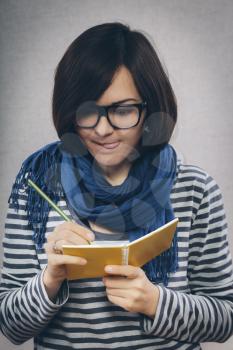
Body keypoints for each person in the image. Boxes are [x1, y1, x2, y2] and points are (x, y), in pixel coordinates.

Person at [0, 21, 233, 350]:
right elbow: (11, 326)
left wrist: (155, 302)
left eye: (122, 111)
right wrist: (50, 279)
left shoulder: (195, 189)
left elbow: (225, 317)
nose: (103, 129)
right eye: (88, 111)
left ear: (149, 109)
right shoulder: (36, 187)